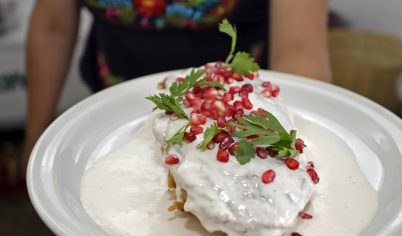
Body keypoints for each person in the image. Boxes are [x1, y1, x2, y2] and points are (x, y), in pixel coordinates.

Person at [21, 0, 331, 174]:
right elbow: (53, 26)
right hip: (113, 120)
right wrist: (35, 140)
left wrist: (290, 158)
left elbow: (300, 48)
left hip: (235, 129)